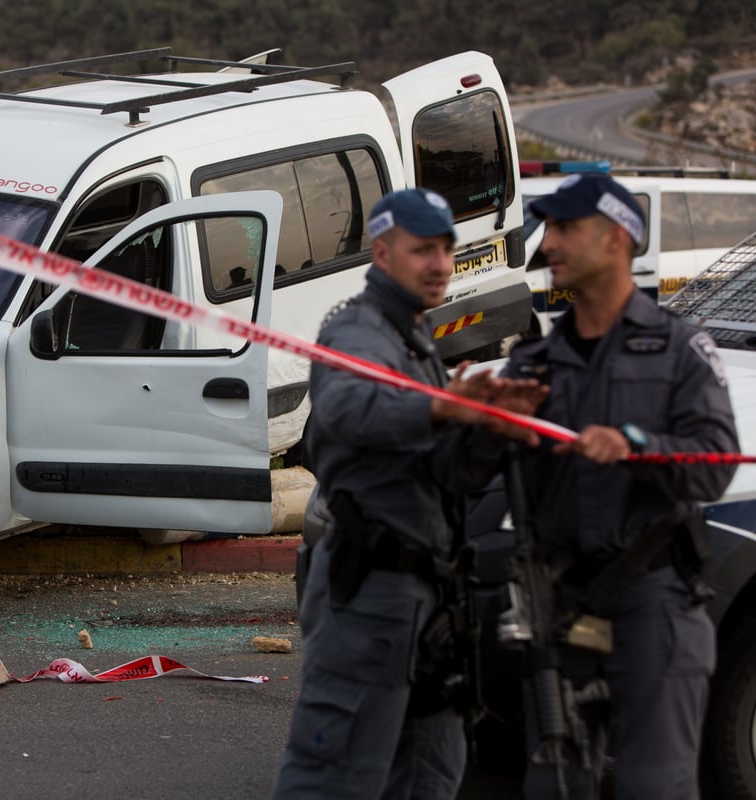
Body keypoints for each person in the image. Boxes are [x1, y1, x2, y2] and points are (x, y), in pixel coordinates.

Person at [271, 188, 545, 799]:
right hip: (370, 592)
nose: (442, 263)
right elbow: (353, 411)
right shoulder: (357, 333)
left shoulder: (415, 341)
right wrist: (449, 405)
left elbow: (445, 473)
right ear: (383, 254)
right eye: (423, 250)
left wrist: (492, 431)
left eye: (447, 248)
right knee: (336, 776)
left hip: (432, 601)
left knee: (430, 773)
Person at [488, 173, 739, 799]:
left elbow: (715, 465)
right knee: (555, 786)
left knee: (655, 785)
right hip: (560, 602)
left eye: (566, 229)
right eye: (547, 230)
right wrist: (477, 422)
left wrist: (638, 447)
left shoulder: (681, 350)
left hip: (654, 601)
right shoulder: (532, 363)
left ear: (618, 239)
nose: (548, 245)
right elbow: (478, 473)